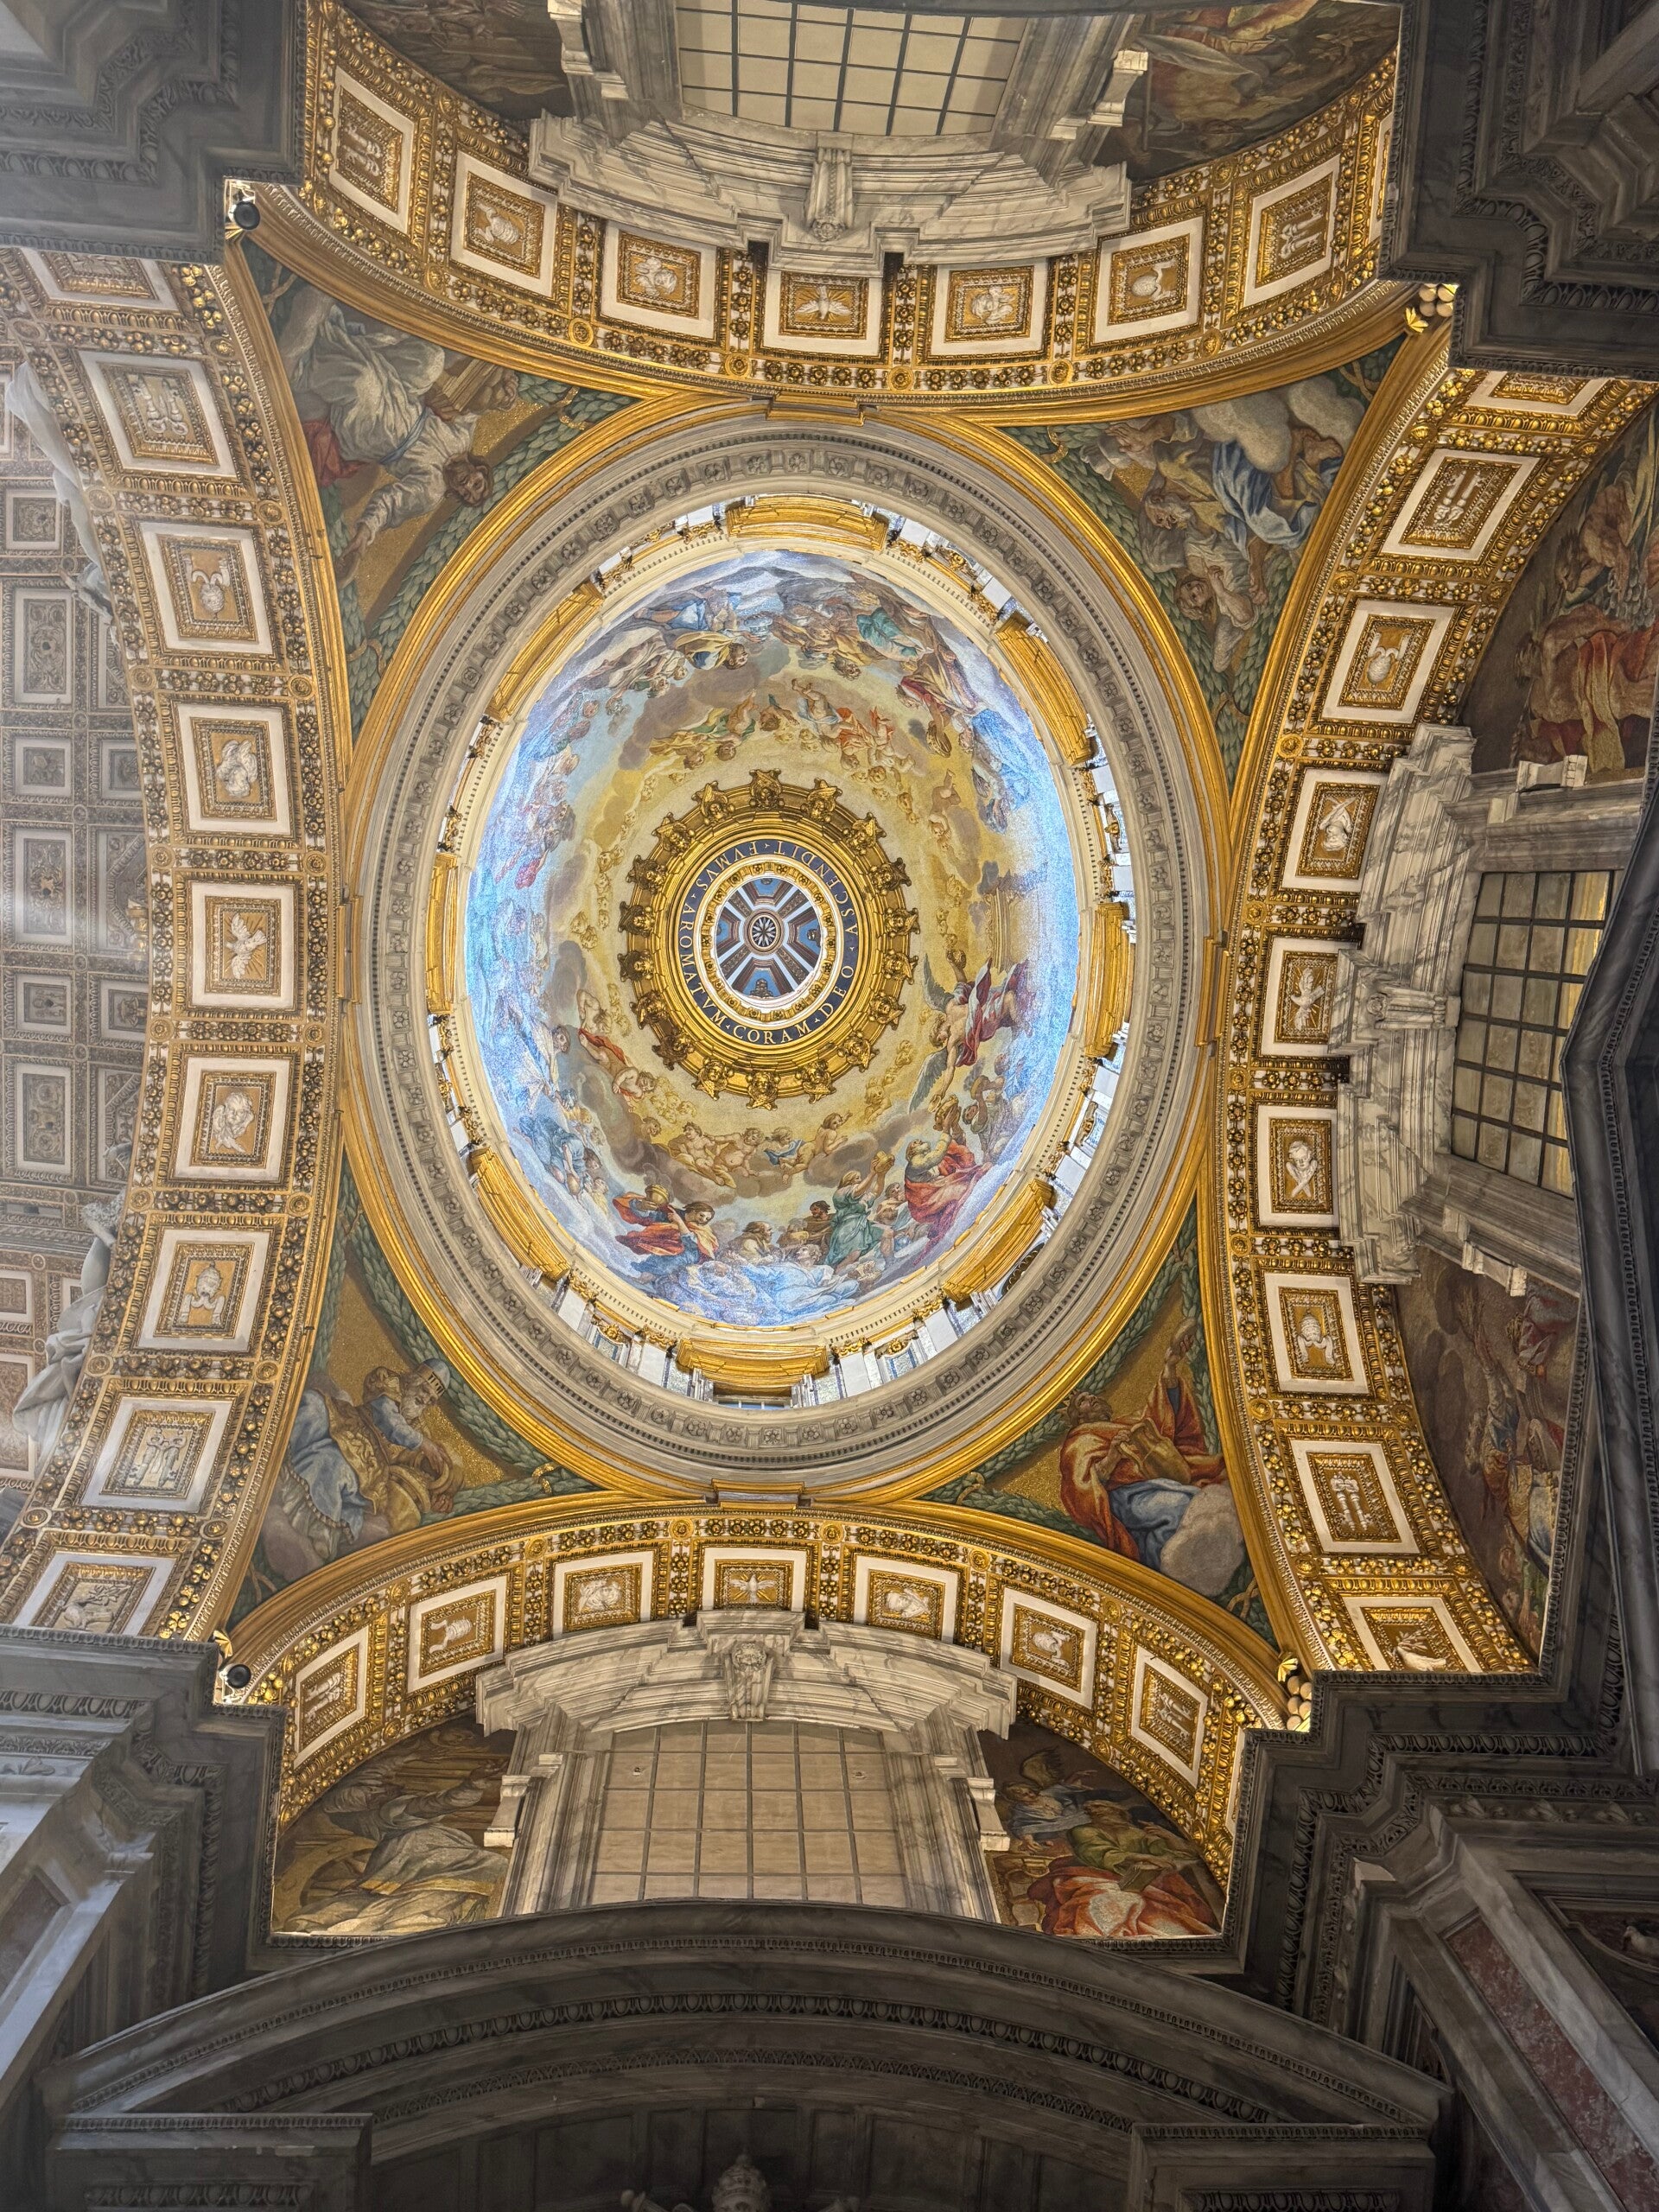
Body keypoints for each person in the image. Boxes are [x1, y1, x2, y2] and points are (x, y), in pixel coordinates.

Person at [1058, 1319, 1229, 1568]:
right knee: (1179, 1506)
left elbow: (1158, 1420)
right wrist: (1112, 1457)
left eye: (1090, 1395)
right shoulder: (1079, 1441)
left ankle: (1171, 1564)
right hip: (1123, 1496)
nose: (1092, 1398)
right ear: (1078, 1417)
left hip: (1155, 1482)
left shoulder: (1123, 1424)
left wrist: (1169, 1368)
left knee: (1201, 1500)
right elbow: (1080, 1491)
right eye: (1083, 1401)